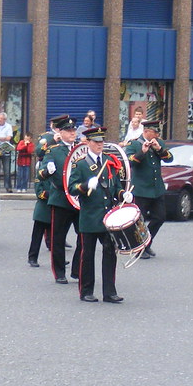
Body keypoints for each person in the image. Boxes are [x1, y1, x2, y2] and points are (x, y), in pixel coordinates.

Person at [66, 126, 131, 303]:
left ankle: (109, 292)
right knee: (87, 255)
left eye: (102, 142)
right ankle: (86, 291)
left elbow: (115, 185)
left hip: (107, 217)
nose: (100, 145)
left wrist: (121, 194)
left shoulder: (109, 161)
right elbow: (71, 189)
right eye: (96, 142)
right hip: (89, 217)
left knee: (110, 253)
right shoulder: (80, 164)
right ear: (88, 143)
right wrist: (86, 186)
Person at [39, 115, 82, 283]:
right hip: (61, 199)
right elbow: (41, 174)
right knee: (58, 238)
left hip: (79, 198)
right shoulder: (54, 151)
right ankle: (60, 272)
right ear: (60, 132)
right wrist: (48, 170)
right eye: (68, 130)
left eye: (73, 130)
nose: (72, 133)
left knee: (84, 235)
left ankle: (77, 269)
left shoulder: (81, 149)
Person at [125, 119, 171, 258]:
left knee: (160, 218)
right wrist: (142, 152)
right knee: (140, 221)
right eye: (154, 132)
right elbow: (130, 162)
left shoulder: (159, 143)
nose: (157, 135)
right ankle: (139, 248)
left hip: (157, 189)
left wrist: (159, 149)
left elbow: (169, 158)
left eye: (157, 132)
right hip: (141, 189)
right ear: (146, 132)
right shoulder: (134, 143)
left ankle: (147, 243)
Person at [0, 112, 14, 191]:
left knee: (7, 170)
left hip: (6, 147)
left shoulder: (8, 126)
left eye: (1, 119)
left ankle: (8, 187)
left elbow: (8, 138)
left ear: (5, 119)